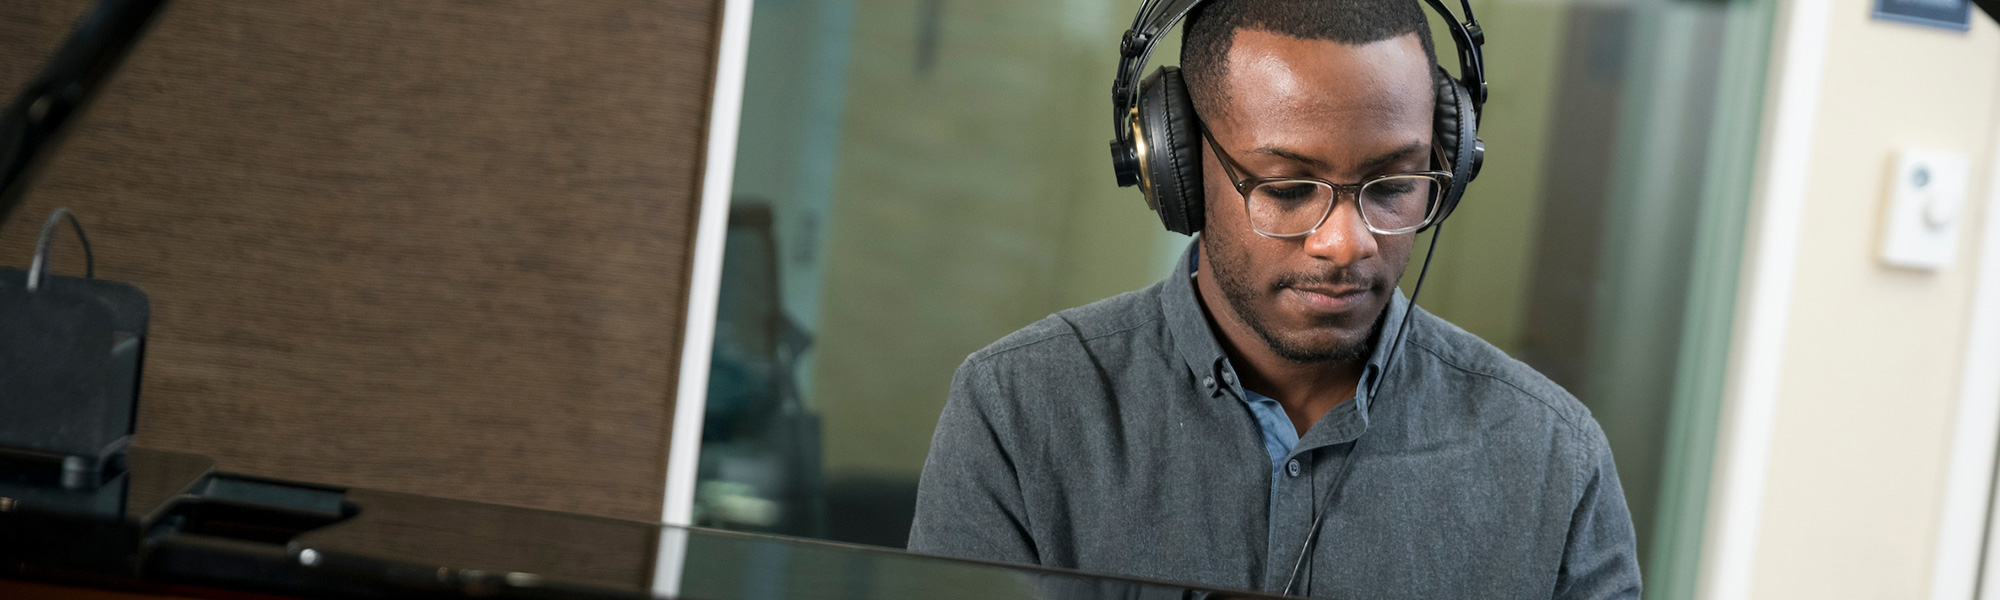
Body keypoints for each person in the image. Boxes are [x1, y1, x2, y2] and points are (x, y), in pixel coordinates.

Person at [905, 1, 1642, 599]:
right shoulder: (1017, 411)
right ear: (1175, 167)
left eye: (1392, 188)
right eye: (1289, 190)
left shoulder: (1553, 460)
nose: (1346, 244)